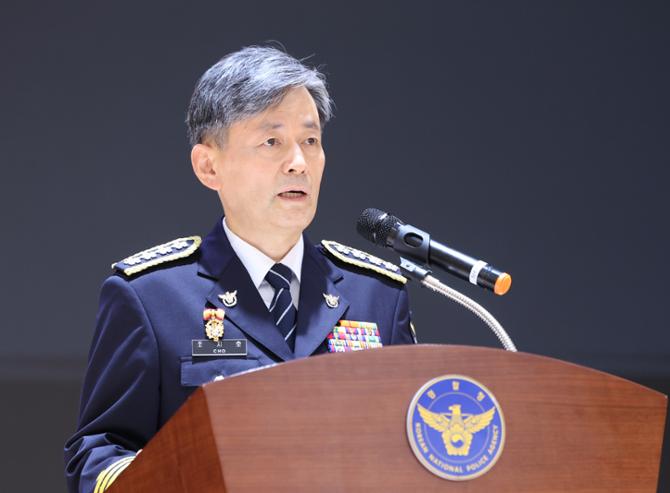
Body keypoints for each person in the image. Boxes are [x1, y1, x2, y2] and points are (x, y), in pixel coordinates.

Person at [64, 45, 416, 493]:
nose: (299, 163)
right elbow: (100, 453)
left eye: (311, 140)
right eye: (272, 142)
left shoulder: (377, 295)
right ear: (208, 165)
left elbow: (410, 449)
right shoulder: (151, 297)